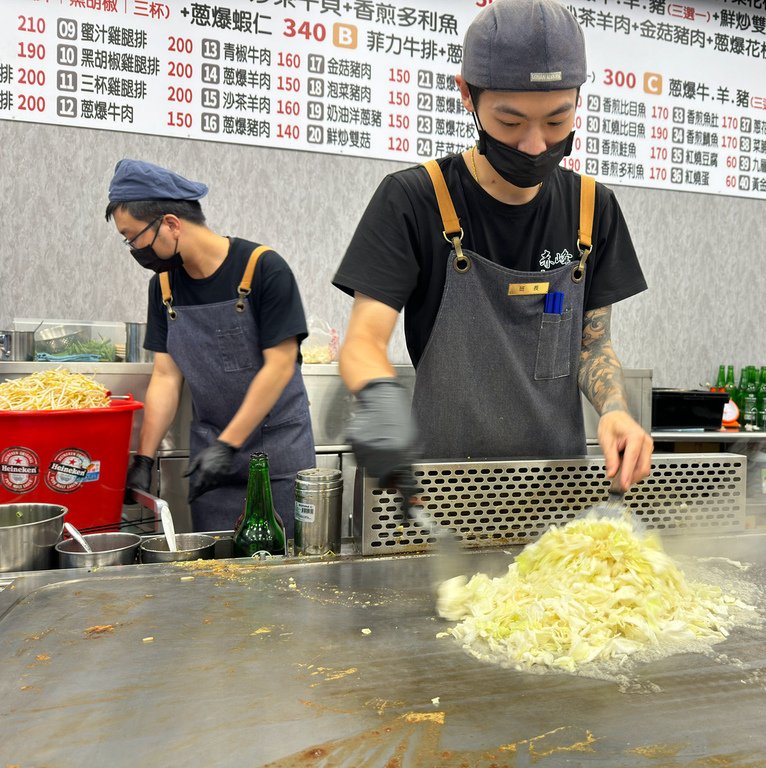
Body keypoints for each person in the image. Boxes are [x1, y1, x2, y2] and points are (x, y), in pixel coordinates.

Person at [334, 0, 653, 500]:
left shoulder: (594, 208)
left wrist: (614, 409)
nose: (533, 145)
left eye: (556, 121)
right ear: (467, 95)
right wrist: (378, 401)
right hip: (439, 494)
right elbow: (364, 342)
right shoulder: (415, 200)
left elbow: (591, 342)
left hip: (556, 496)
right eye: (509, 122)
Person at [107, 159, 315, 537]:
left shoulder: (263, 268)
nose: (133, 248)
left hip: (279, 455)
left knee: (286, 568)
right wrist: (144, 456)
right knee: (216, 575)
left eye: (133, 236)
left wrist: (229, 445)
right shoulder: (165, 287)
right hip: (210, 462)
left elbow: (280, 366)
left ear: (170, 223)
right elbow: (167, 377)